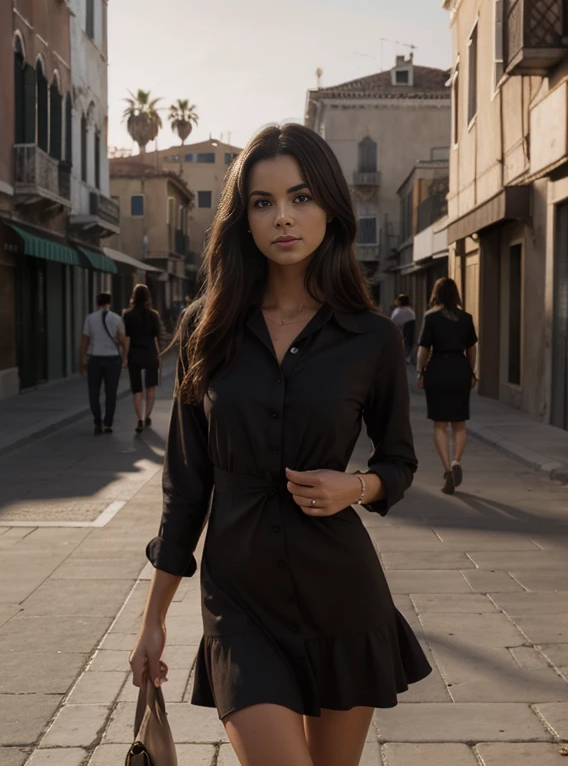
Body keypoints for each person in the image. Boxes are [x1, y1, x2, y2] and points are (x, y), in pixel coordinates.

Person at [129, 123, 431, 766]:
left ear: (330, 208)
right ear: (243, 220)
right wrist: (153, 619)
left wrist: (358, 486)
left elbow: (398, 461)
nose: (283, 218)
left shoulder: (372, 339)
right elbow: (185, 491)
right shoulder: (205, 331)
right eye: (263, 203)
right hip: (238, 600)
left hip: (342, 596)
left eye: (301, 197)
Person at [416, 277, 478, 495]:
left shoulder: (431, 317)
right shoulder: (466, 317)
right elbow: (472, 348)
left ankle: (446, 471)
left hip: (438, 369)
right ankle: (456, 461)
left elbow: (424, 349)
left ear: (436, 293)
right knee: (459, 423)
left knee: (440, 424)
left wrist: (420, 371)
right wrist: (471, 372)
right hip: (460, 368)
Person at [79, 292, 127, 436]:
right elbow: (124, 341)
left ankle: (97, 421)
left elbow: (84, 342)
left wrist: (81, 361)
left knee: (93, 392)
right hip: (112, 359)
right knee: (111, 393)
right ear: (109, 303)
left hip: (95, 359)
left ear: (97, 303)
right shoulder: (117, 318)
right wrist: (125, 358)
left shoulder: (90, 318)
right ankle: (108, 423)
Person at [121, 283, 163, 433]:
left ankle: (139, 419)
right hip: (150, 353)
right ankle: (146, 417)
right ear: (148, 297)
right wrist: (160, 356)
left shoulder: (127, 315)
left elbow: (126, 339)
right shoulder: (154, 315)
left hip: (134, 354)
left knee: (137, 389)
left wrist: (124, 358)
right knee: (150, 387)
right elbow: (158, 337)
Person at [391, 294, 416, 364]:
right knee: (407, 341)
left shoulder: (399, 310)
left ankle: (404, 356)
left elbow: (393, 319)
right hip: (405, 326)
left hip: (401, 326)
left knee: (405, 341)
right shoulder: (409, 310)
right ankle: (406, 356)